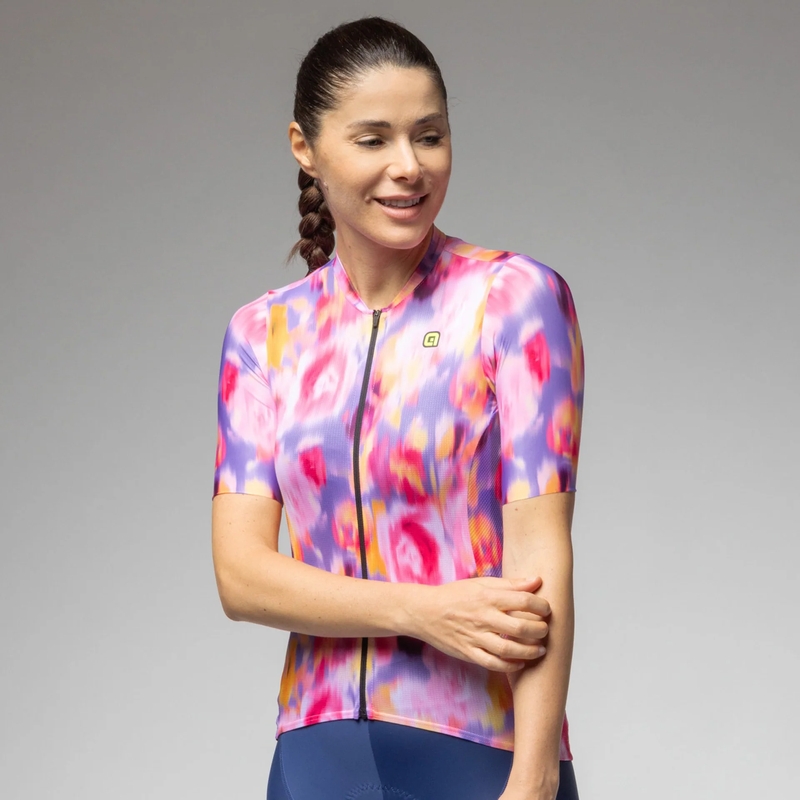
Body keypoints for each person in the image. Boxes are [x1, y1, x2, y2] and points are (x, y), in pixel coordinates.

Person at [211, 16, 584, 800]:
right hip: (315, 756)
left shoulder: (512, 300)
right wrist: (423, 611)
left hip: (482, 749)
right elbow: (241, 576)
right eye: (373, 139)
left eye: (429, 136)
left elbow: (540, 558)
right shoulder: (264, 333)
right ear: (305, 147)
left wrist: (534, 778)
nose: (409, 166)